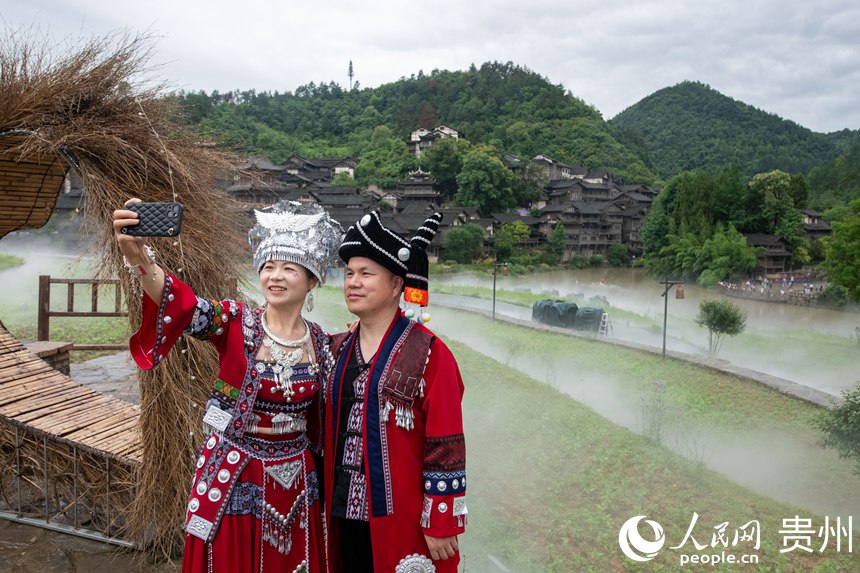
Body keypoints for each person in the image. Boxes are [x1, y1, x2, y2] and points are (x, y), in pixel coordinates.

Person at [113, 199, 342, 573]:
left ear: (313, 279)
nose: (275, 277)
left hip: (299, 479)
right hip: (236, 473)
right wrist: (139, 258)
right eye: (268, 267)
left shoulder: (322, 343)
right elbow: (184, 306)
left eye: (288, 268)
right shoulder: (236, 322)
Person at [323, 211, 467, 573]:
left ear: (395, 285)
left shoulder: (430, 354)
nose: (353, 283)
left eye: (366, 274)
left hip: (400, 516)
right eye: (349, 273)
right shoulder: (335, 348)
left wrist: (441, 519)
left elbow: (446, 441)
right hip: (340, 514)